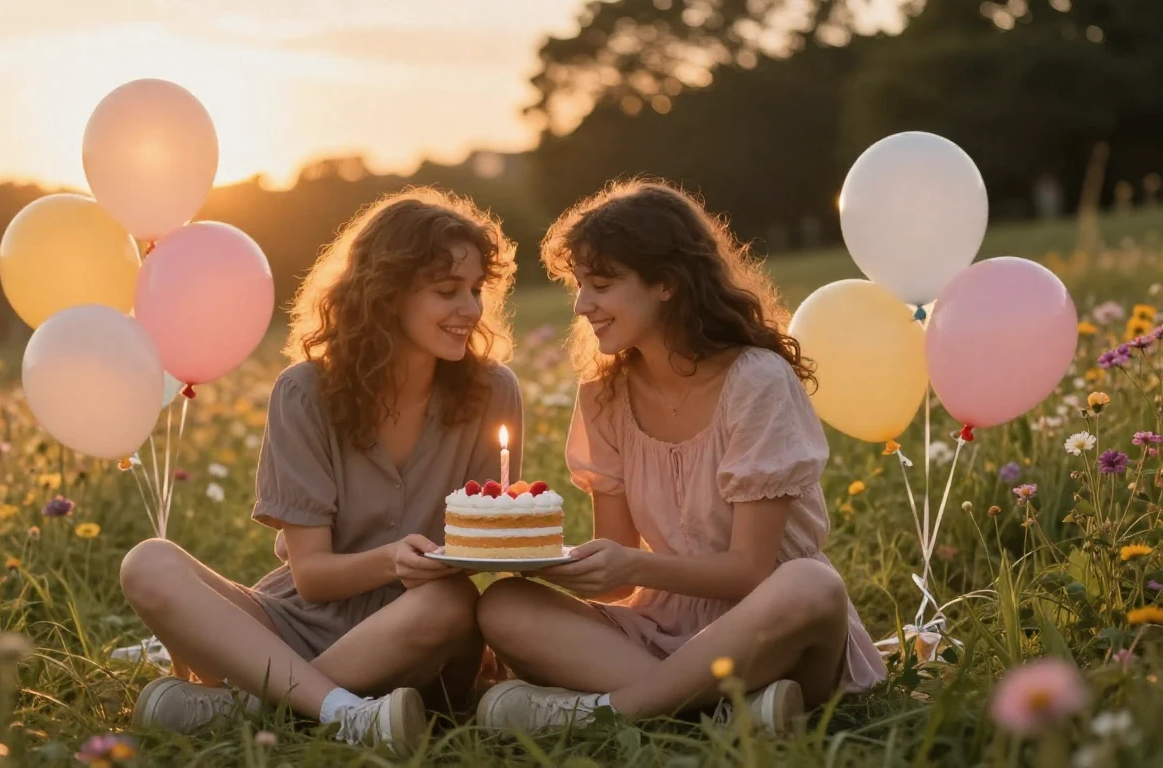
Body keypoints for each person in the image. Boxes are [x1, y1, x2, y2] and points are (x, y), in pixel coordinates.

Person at [119, 187, 523, 754]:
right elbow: (311, 577)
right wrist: (391, 559)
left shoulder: (491, 392)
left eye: (476, 290)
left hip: (415, 631)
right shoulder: (305, 391)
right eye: (447, 291)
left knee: (450, 603)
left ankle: (253, 706)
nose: (471, 310)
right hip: (293, 623)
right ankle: (342, 711)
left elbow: (485, 545)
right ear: (387, 295)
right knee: (148, 563)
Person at [474, 179, 886, 734]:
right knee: (504, 605)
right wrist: (554, 560)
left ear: (666, 283)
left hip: (770, 627)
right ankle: (725, 712)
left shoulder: (756, 382)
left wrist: (634, 565)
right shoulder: (605, 394)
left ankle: (608, 714)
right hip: (659, 629)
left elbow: (749, 573)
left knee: (812, 584)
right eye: (579, 285)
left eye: (601, 284)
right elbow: (620, 576)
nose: (582, 304)